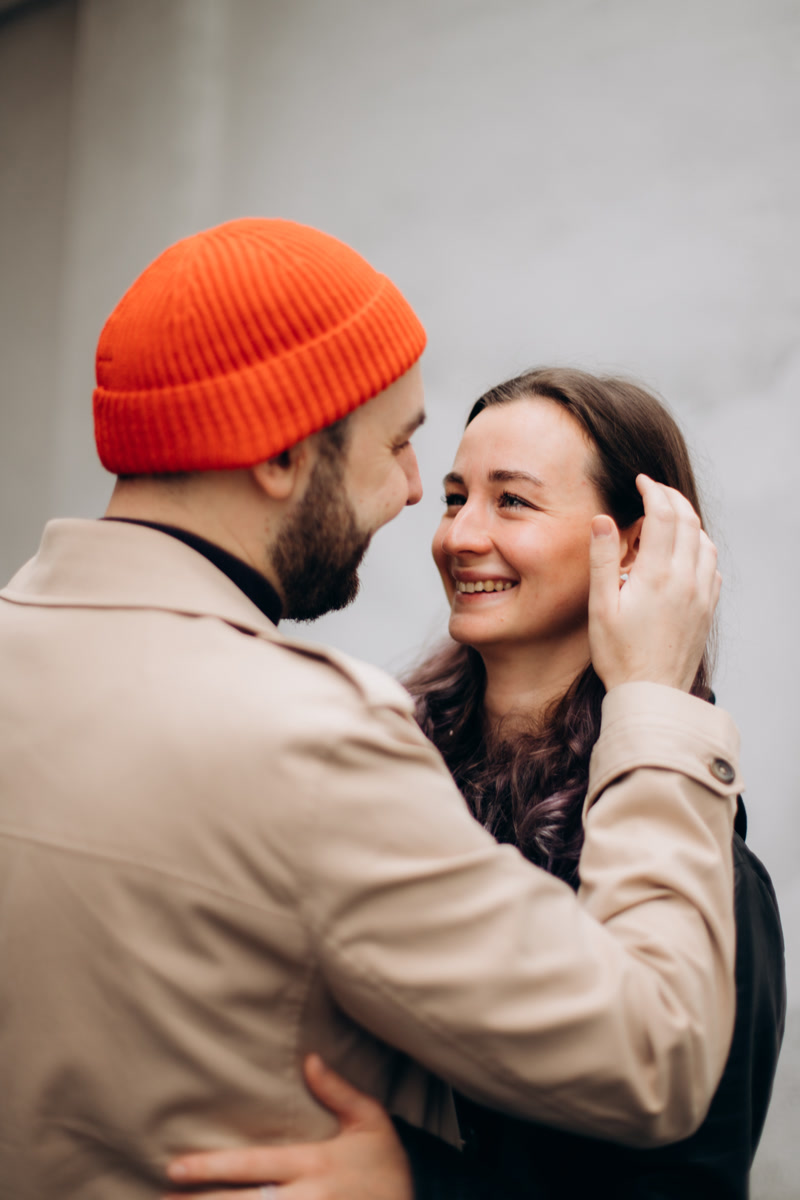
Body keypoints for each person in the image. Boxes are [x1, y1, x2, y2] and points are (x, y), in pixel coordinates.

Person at [0, 222, 742, 1200]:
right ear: (280, 456)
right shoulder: (316, 741)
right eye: (403, 452)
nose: (411, 501)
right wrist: (652, 704)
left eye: (509, 500)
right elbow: (658, 1052)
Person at [166, 369, 784, 1200]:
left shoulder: (704, 877)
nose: (459, 535)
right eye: (456, 497)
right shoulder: (375, 768)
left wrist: (415, 1184)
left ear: (633, 547)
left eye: (513, 502)